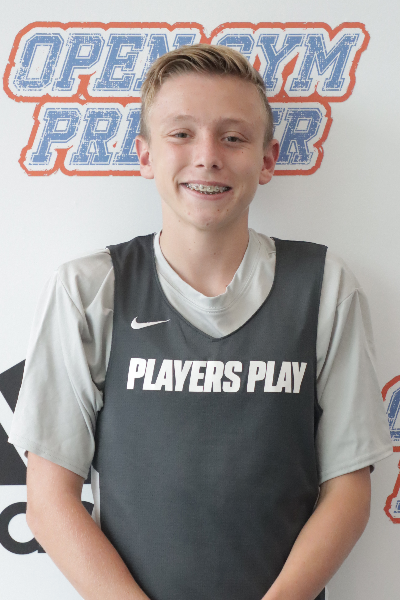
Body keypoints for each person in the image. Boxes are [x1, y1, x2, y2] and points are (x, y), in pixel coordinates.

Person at [8, 44, 392, 600]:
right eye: (181, 133)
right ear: (145, 155)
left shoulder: (324, 285)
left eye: (233, 137)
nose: (208, 156)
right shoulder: (90, 289)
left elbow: (349, 489)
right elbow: (49, 502)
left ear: (267, 159)